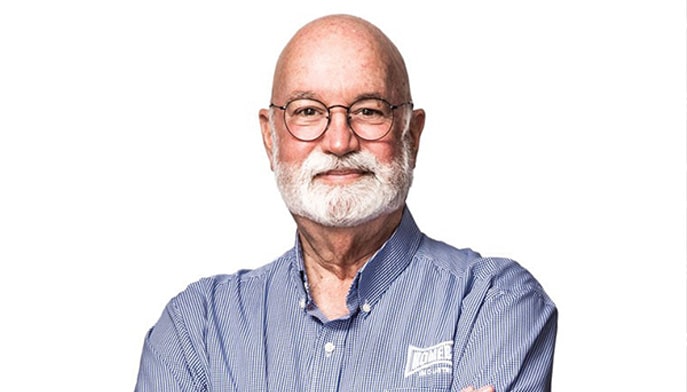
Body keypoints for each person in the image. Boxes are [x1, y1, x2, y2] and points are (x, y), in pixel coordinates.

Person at [135, 14, 557, 392]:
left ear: (411, 134)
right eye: (308, 111)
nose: (339, 141)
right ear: (271, 138)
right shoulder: (197, 327)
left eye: (369, 111)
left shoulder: (492, 303)